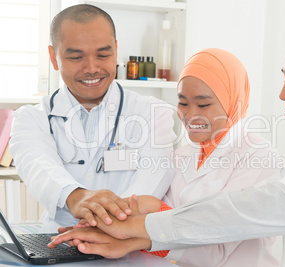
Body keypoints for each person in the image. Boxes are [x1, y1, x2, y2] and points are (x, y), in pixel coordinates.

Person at [49, 15, 285, 267]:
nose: (282, 94)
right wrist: (125, 220)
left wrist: (139, 226)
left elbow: (250, 211)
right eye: (182, 102)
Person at [56, 48, 283, 267]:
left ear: (233, 101)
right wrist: (104, 227)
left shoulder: (259, 160)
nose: (191, 114)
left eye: (203, 104)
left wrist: (150, 212)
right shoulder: (183, 155)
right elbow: (167, 228)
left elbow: (214, 252)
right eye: (183, 103)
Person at [9, 4, 176, 230]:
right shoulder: (30, 119)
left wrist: (108, 223)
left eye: (103, 55)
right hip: (57, 242)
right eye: (76, 57)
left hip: (128, 248)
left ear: (116, 50)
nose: (91, 68)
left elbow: (151, 182)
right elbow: (38, 166)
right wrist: (75, 196)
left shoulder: (153, 113)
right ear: (54, 57)